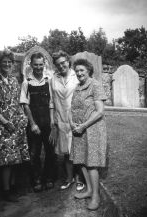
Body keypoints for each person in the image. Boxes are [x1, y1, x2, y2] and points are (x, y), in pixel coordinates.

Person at [0, 50, 30, 201]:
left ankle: (13, 187)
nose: (7, 64)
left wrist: (22, 117)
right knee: (5, 160)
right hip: (2, 125)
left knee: (15, 157)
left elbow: (16, 103)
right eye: (4, 62)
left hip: (15, 123)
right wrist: (4, 121)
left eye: (9, 62)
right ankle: (6, 191)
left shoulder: (14, 81)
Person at [69, 58, 107, 210]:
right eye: (77, 71)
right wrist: (72, 123)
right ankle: (89, 190)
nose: (79, 73)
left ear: (88, 71)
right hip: (79, 130)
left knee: (91, 163)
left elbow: (99, 112)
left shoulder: (95, 85)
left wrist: (83, 125)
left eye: (81, 70)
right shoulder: (77, 87)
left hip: (92, 129)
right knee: (82, 160)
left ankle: (96, 196)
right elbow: (71, 109)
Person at [20, 52, 56, 192]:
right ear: (31, 65)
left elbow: (52, 102)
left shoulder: (50, 80)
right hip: (34, 123)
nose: (39, 67)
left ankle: (49, 178)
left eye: (41, 64)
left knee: (50, 152)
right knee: (34, 153)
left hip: (48, 121)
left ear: (44, 64)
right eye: (36, 64)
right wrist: (33, 124)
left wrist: (52, 123)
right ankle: (37, 180)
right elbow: (25, 105)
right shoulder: (26, 83)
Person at [50, 50, 84, 191]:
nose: (61, 66)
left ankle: (80, 179)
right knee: (66, 152)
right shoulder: (53, 79)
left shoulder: (77, 76)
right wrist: (53, 121)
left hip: (76, 118)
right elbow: (51, 101)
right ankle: (69, 178)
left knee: (78, 149)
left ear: (68, 61)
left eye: (63, 62)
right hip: (61, 119)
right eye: (58, 64)